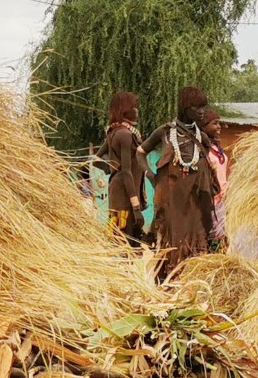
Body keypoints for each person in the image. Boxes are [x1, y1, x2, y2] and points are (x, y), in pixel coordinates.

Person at [140, 87, 217, 272]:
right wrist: (150, 175)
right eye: (196, 107)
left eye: (203, 107)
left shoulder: (202, 137)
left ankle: (192, 281)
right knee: (170, 243)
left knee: (196, 243)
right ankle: (166, 282)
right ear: (184, 107)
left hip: (195, 206)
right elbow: (140, 152)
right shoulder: (165, 132)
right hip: (171, 204)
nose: (201, 111)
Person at [96, 91, 146, 244]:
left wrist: (112, 169)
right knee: (124, 240)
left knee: (122, 240)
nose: (137, 110)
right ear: (125, 110)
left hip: (119, 190)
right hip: (125, 194)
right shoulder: (124, 134)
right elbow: (126, 172)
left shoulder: (114, 131)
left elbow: (97, 158)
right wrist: (136, 207)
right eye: (134, 107)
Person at [200, 107, 230, 252]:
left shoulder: (216, 147)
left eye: (219, 123)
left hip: (224, 198)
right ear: (204, 126)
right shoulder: (201, 149)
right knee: (213, 237)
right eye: (215, 123)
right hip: (212, 200)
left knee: (224, 237)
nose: (219, 127)